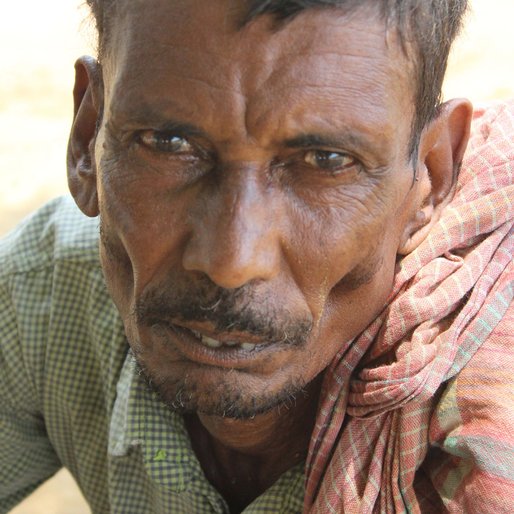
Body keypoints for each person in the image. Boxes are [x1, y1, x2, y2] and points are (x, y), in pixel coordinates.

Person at [1, 0, 513, 512]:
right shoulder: (47, 293)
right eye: (168, 142)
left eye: (326, 161)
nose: (232, 261)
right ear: (88, 139)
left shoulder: (487, 419)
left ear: (431, 176)